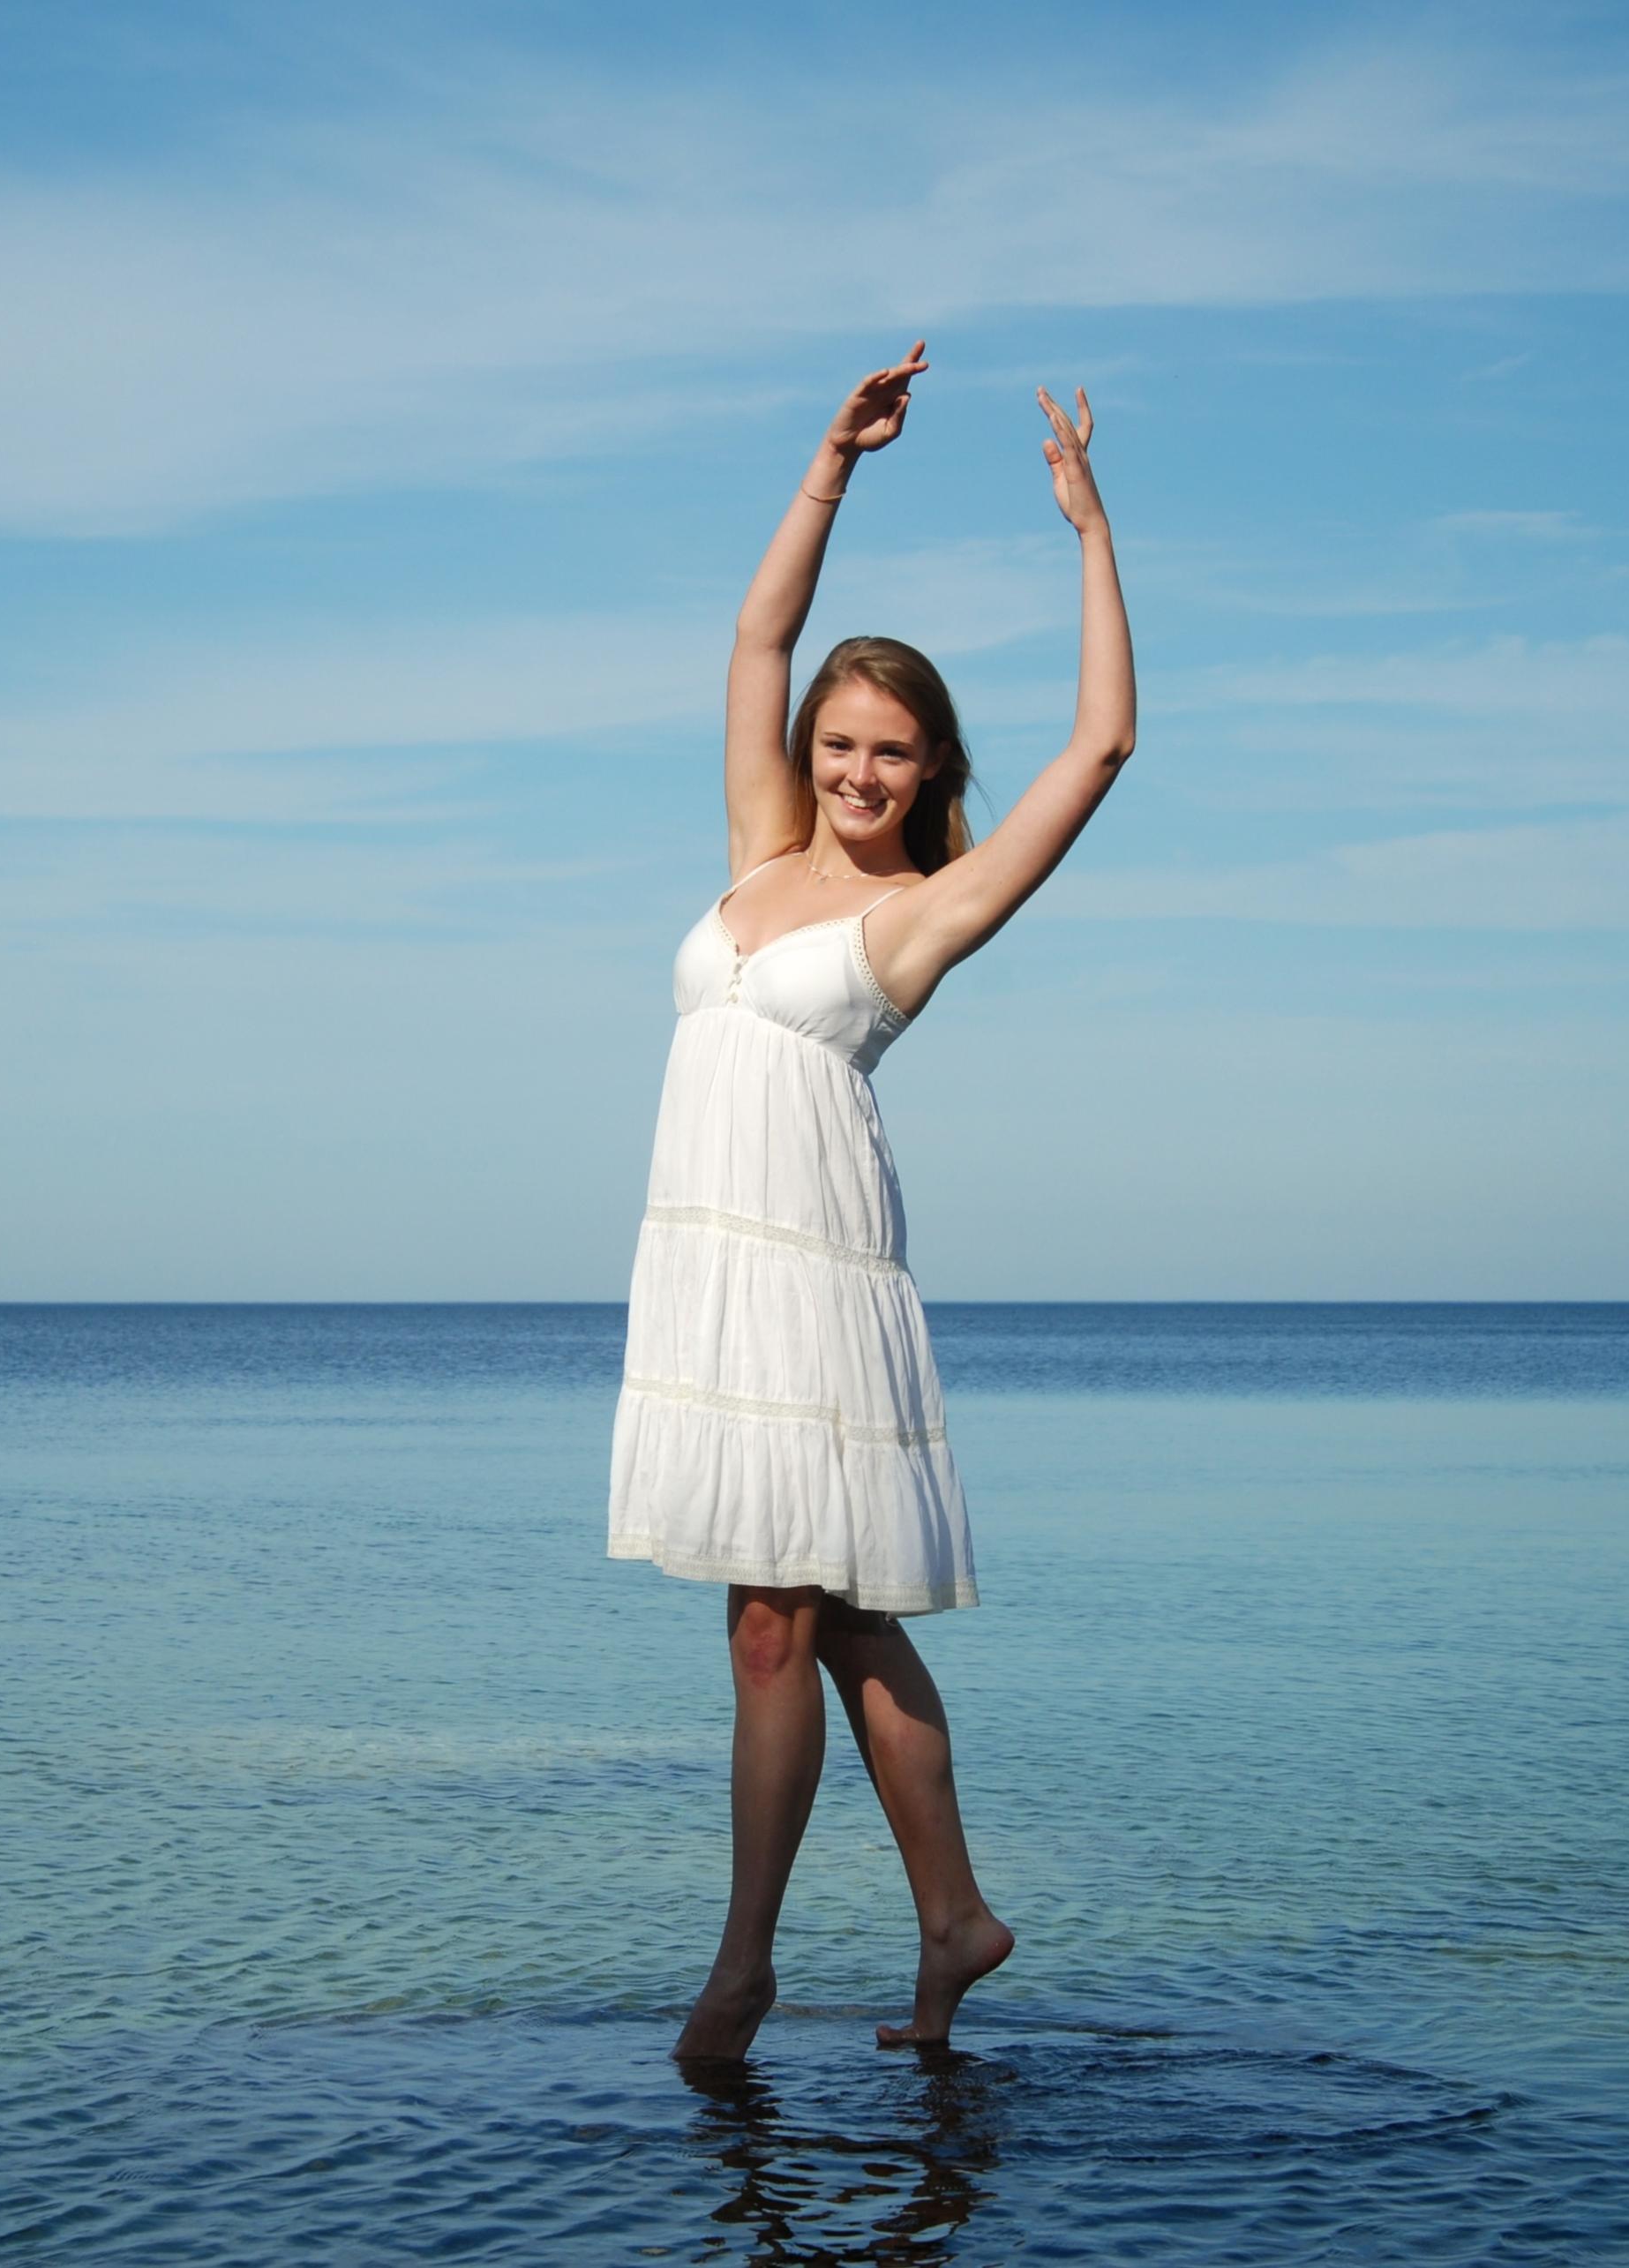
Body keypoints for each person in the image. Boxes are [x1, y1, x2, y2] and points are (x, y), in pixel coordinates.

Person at [606, 342, 1137, 2062]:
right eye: (840, 741)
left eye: (889, 752)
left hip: (816, 1286)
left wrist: (1085, 533)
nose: (854, 770)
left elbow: (1106, 744)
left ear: (927, 767)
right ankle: (953, 1921)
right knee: (832, 1626)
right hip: (708, 1277)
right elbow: (757, 639)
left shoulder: (919, 912)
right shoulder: (758, 849)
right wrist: (834, 459)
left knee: (781, 1621)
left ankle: (741, 1969)